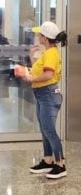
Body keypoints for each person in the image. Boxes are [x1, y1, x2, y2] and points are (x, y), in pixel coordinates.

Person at [23, 21, 67, 179]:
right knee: (44, 129)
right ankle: (48, 160)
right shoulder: (48, 53)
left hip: (48, 95)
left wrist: (30, 78)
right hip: (43, 94)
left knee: (49, 130)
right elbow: (39, 69)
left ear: (45, 38)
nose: (37, 36)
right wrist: (30, 57)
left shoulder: (51, 54)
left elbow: (48, 75)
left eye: (39, 34)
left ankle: (60, 164)